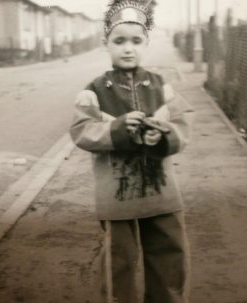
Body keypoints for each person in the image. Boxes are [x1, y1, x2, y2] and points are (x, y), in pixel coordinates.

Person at [69, 1, 194, 302]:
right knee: (118, 260)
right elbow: (81, 130)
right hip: (116, 194)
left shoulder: (162, 86)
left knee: (169, 254)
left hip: (161, 191)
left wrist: (163, 134)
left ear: (146, 43)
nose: (128, 49)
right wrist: (118, 129)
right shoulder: (94, 90)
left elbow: (182, 121)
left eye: (136, 41)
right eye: (119, 41)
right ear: (106, 44)